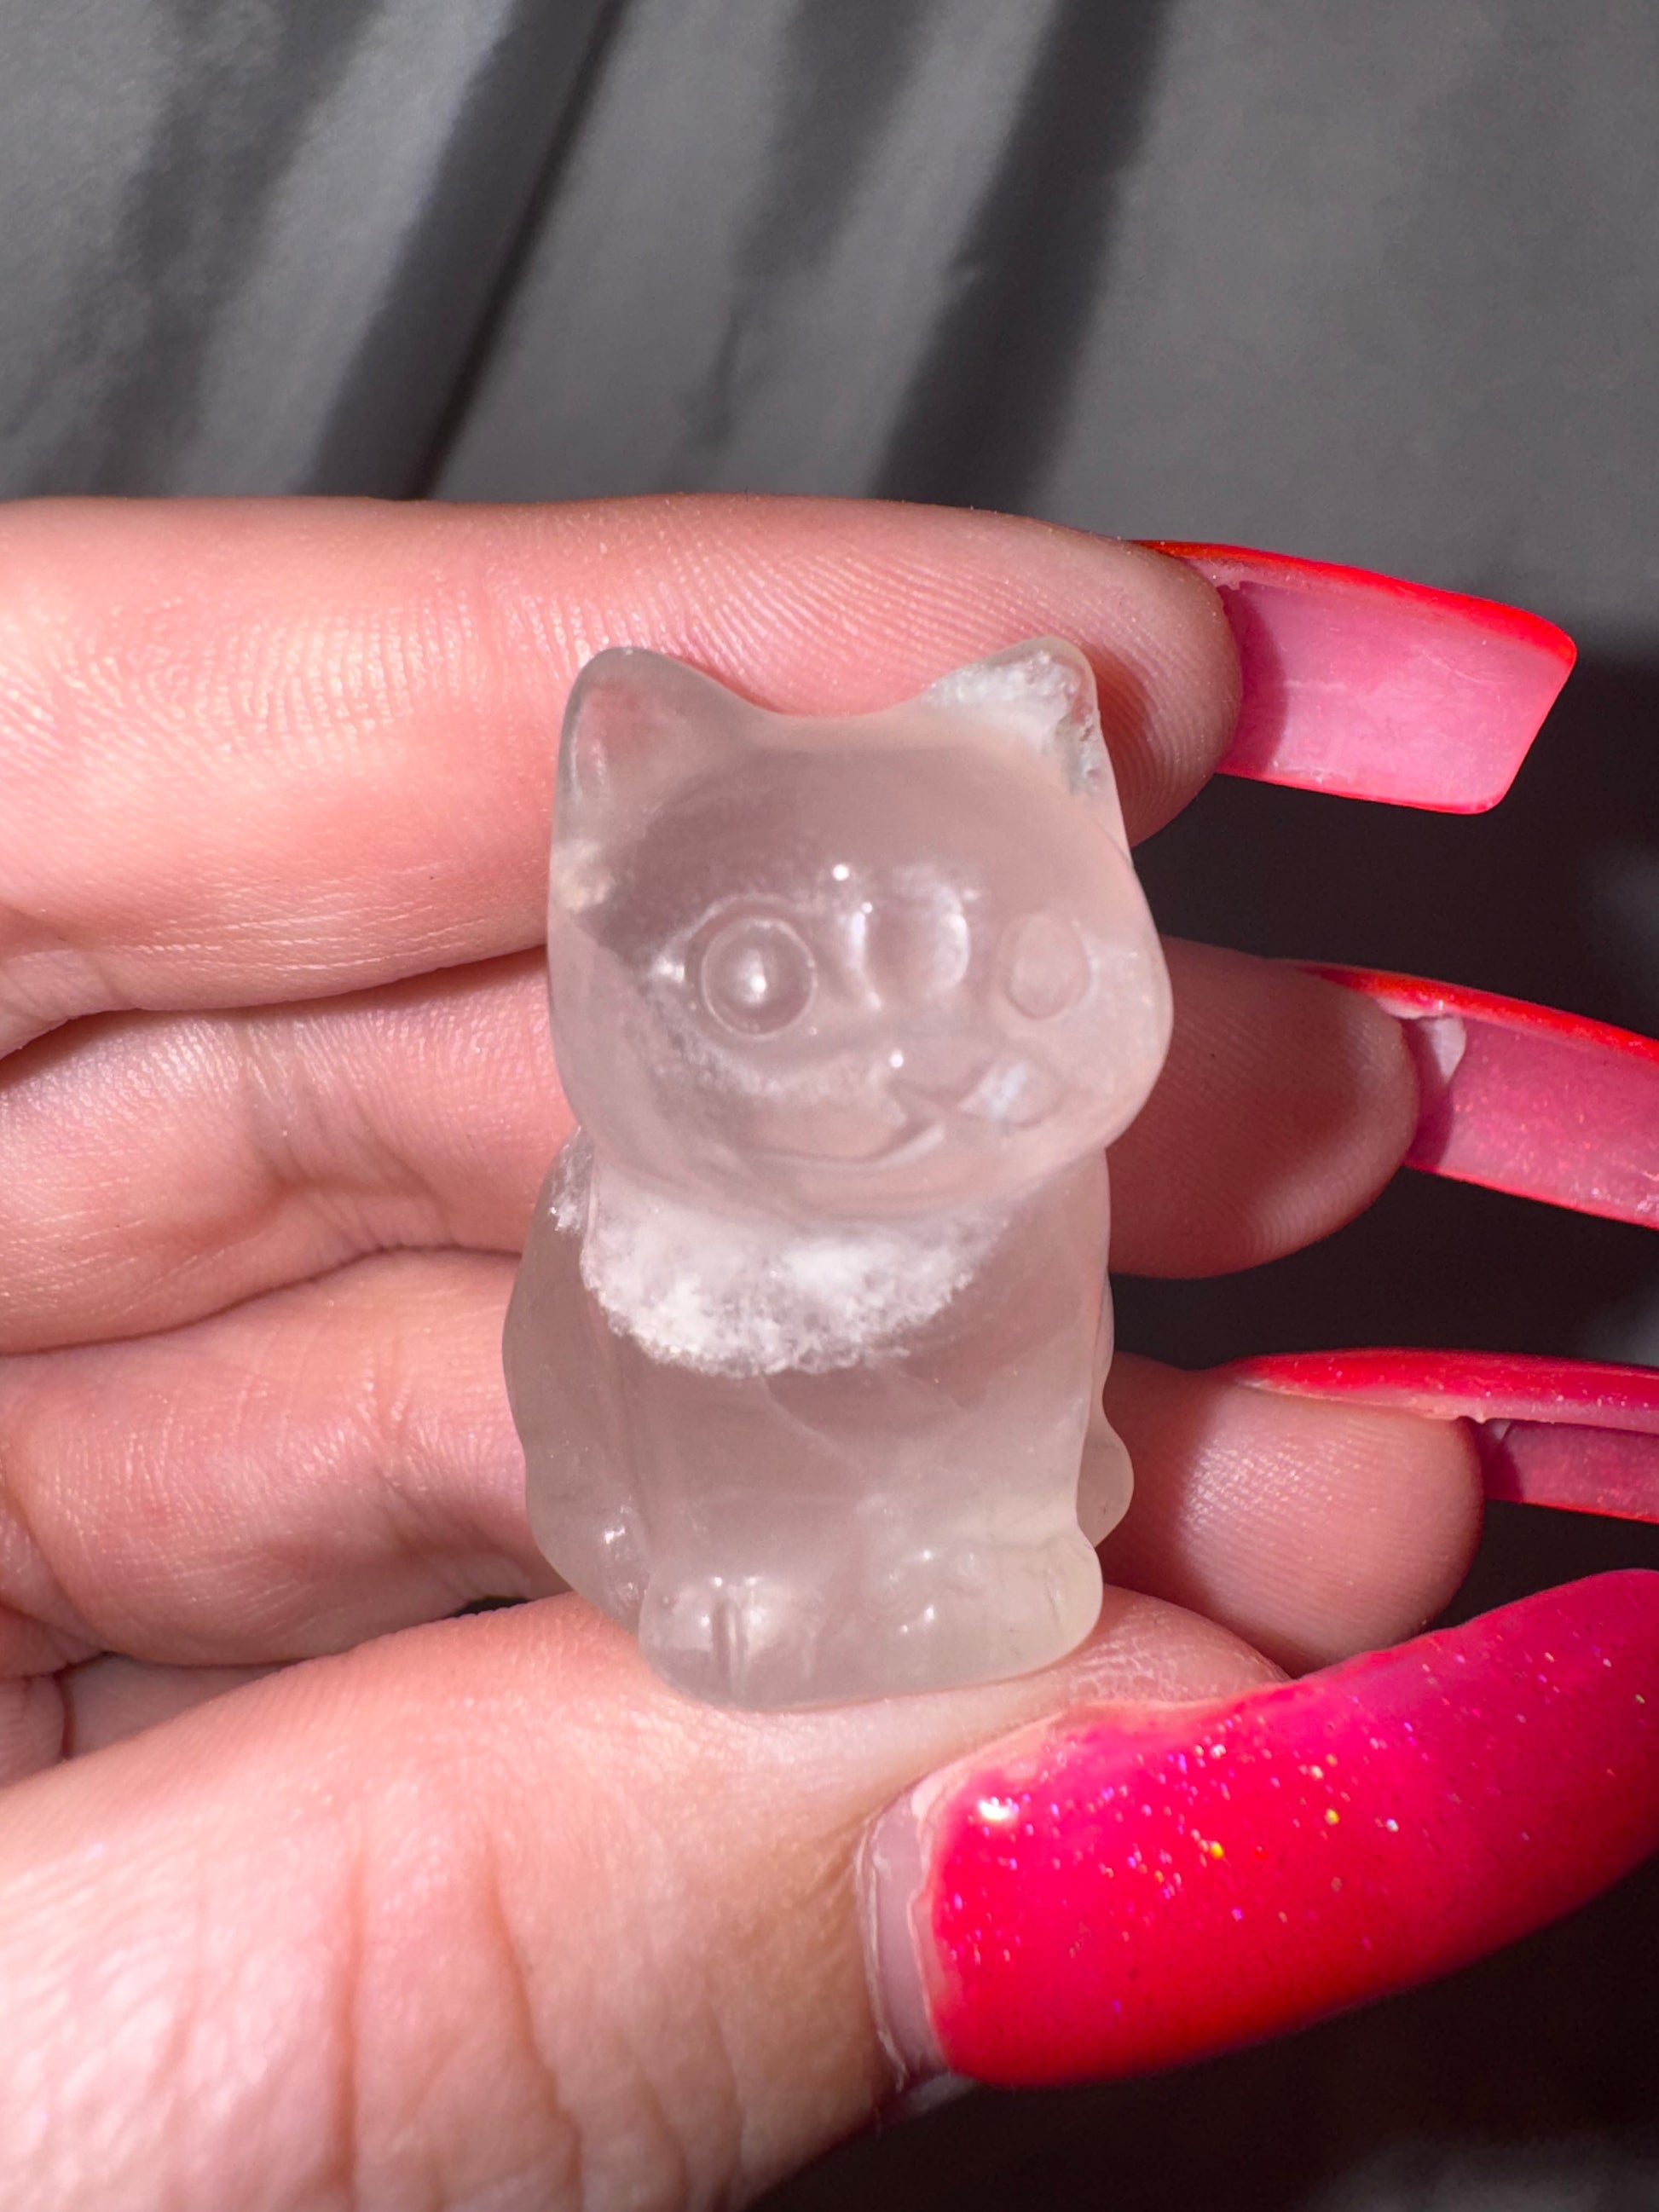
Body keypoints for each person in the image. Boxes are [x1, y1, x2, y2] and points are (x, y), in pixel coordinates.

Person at [0, 491, 1648, 2211]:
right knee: (728, 1438)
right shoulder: (644, 1228)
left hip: (977, 1494)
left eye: (1016, 968)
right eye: (766, 984)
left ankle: (977, 1539)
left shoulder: (1034, 1194)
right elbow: (626, 1413)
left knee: (1018, 1424)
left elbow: (1021, 1384)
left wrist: (1004, 1512)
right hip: (708, 1520)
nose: (903, 1062)